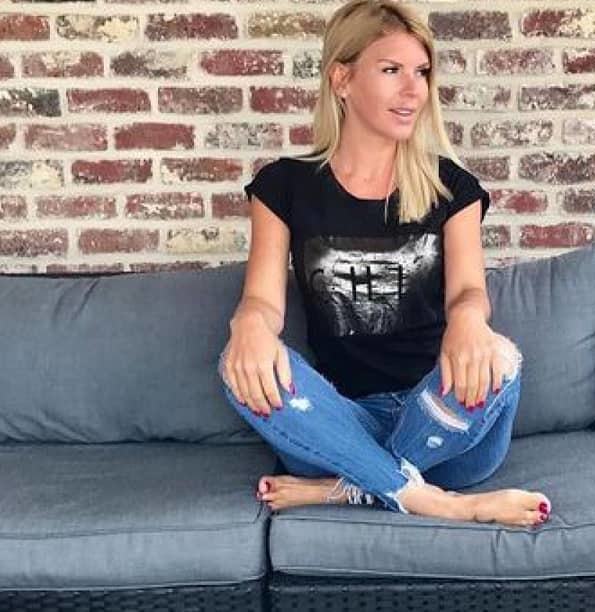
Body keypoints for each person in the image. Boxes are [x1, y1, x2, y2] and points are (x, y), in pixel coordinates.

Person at [217, 0, 551, 528]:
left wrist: (469, 321)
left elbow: (467, 292)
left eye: (421, 72)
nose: (414, 90)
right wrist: (248, 327)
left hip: (445, 424)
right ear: (342, 79)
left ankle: (349, 486)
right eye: (392, 70)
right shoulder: (284, 187)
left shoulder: (452, 187)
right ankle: (441, 503)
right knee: (238, 365)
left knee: (501, 357)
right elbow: (261, 300)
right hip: (338, 421)